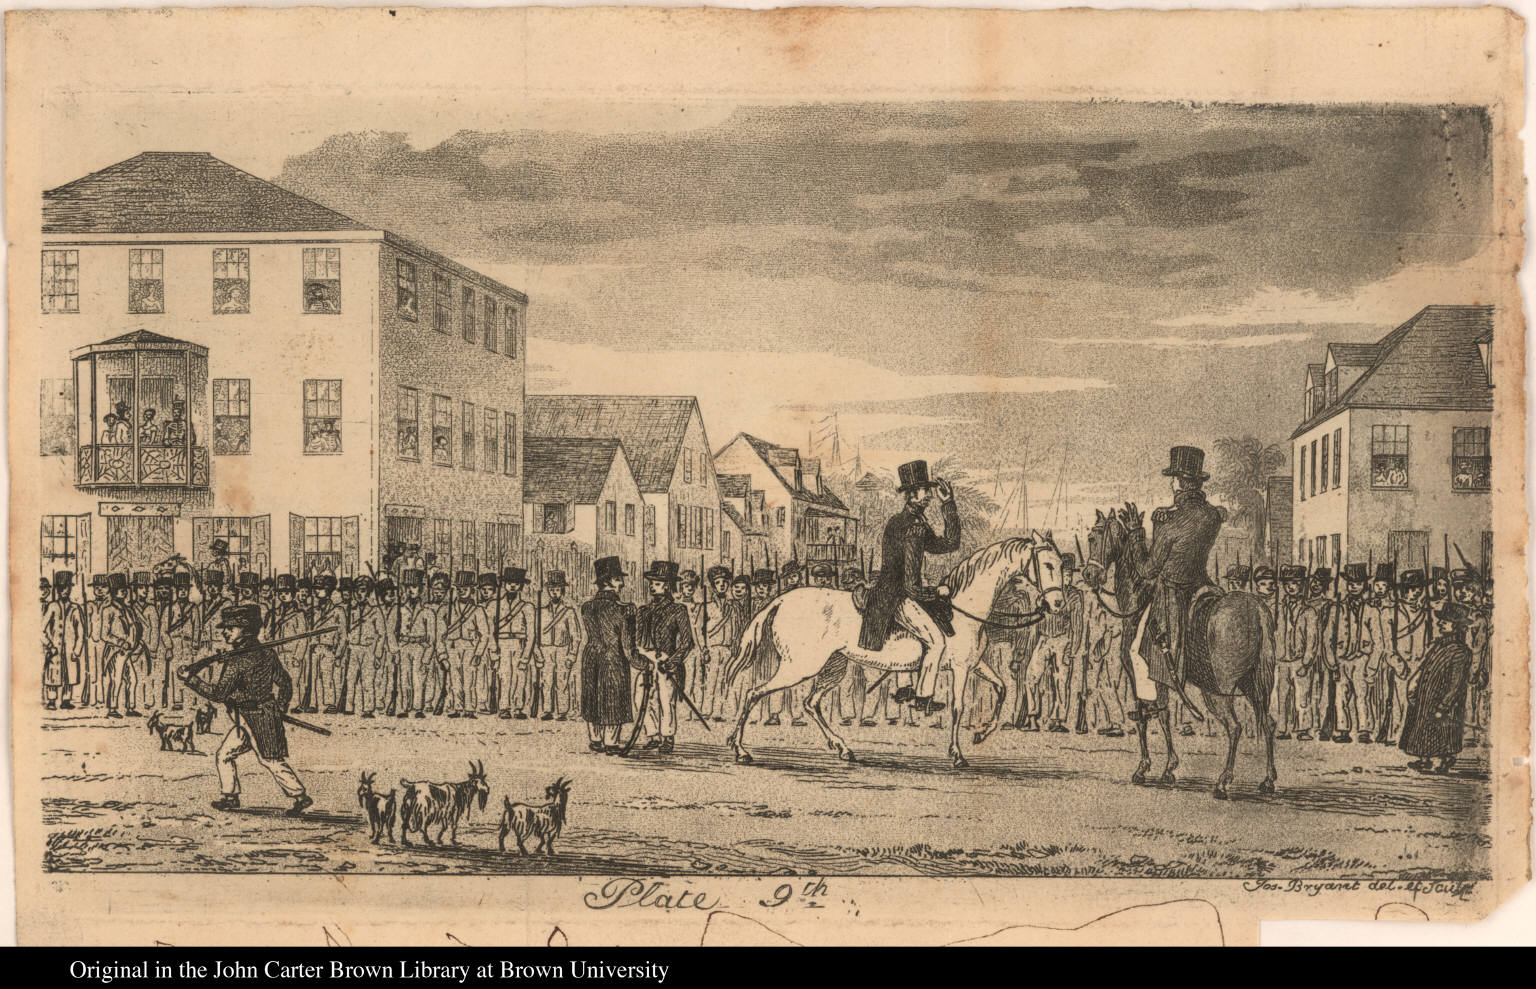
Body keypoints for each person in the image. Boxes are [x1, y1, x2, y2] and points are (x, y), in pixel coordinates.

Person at [181, 604, 312, 815]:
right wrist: (280, 706)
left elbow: (218, 694)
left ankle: (300, 796)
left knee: (270, 760)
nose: (225, 632)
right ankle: (230, 797)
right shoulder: (266, 653)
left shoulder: (237, 660)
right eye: (226, 628)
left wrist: (191, 679)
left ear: (246, 629)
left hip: (256, 718)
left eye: (231, 628)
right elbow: (285, 683)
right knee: (225, 754)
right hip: (251, 716)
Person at [1125, 446, 1223, 725]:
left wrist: (1136, 534)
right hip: (1202, 585)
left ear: (1179, 482)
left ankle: (1151, 703)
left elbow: (1148, 570)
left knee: (1137, 647)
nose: (1171, 484)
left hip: (1173, 590)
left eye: (1173, 479)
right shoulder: (1212, 516)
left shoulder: (1170, 521)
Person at [860, 460, 961, 717]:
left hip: (893, 593)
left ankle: (904, 687)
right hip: (897, 597)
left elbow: (949, 544)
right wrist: (936, 592)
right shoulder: (914, 527)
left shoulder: (909, 521)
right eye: (926, 491)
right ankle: (923, 698)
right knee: (937, 643)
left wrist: (948, 504)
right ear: (912, 493)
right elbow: (911, 587)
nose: (930, 496)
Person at [1399, 603, 1475, 774]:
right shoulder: (1440, 645)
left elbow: (1456, 684)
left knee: (1443, 732)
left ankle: (1445, 760)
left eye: (1445, 621)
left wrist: (1444, 705)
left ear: (1456, 626)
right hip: (1427, 697)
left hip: (1444, 702)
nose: (1440, 623)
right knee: (1424, 728)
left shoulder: (1461, 651)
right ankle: (1424, 760)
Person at [633, 561, 694, 755]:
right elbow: (637, 639)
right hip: (647, 659)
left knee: (666, 700)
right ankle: (652, 735)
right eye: (652, 583)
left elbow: (687, 642)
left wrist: (672, 662)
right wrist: (642, 657)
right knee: (641, 698)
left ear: (667, 586)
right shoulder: (643, 610)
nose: (652, 586)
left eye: (657, 583)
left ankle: (667, 736)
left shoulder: (678, 610)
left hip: (667, 661)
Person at [581, 557, 637, 754]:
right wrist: (639, 662)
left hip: (591, 655)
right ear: (608, 581)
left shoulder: (587, 607)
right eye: (618, 579)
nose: (622, 584)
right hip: (613, 657)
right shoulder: (623, 609)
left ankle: (595, 739)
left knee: (593, 696)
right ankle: (611, 742)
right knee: (613, 697)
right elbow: (627, 644)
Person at [1330, 563, 1374, 743]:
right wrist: (1332, 662)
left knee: (1362, 695)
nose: (1354, 587)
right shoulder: (1336, 608)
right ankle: (1342, 729)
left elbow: (1378, 639)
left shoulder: (1370, 609)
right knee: (1341, 695)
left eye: (1358, 583)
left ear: (1364, 585)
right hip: (1341, 658)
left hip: (1362, 657)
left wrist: (1372, 664)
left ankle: (1364, 730)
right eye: (1351, 583)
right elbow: (1328, 637)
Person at [1273, 565, 1318, 740]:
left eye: (1295, 583)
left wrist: (1306, 662)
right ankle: (1282, 728)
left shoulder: (1308, 611)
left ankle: (1303, 729)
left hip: (1300, 660)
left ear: (1302, 585)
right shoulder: (1279, 608)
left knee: (1302, 695)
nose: (1291, 587)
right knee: (1282, 695)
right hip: (1282, 660)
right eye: (1288, 584)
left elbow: (1312, 639)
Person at [443, 571, 489, 719]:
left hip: (470, 646)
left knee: (469, 679)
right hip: (453, 645)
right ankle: (457, 707)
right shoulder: (448, 608)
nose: (461, 591)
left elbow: (485, 634)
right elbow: (441, 632)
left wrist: (478, 653)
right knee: (455, 678)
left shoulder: (478, 610)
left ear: (472, 590)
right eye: (459, 588)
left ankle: (469, 708)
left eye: (465, 588)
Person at [539, 571, 582, 721]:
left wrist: (572, 655)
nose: (554, 592)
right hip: (546, 649)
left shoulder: (569, 612)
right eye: (552, 589)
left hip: (563, 649)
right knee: (546, 681)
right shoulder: (541, 611)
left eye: (557, 589)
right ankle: (547, 710)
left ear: (562, 591)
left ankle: (562, 711)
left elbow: (576, 636)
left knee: (562, 681)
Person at [493, 568, 534, 719]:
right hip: (502, 644)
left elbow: (531, 634)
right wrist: (494, 650)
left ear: (520, 586)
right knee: (504, 676)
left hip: (519, 644)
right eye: (509, 582)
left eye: (516, 583)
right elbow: (490, 631)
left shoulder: (527, 607)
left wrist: (526, 656)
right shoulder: (495, 605)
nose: (512, 586)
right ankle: (504, 707)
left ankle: (518, 707)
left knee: (520, 676)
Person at [101, 574, 142, 718]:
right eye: (120, 589)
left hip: (127, 651)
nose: (123, 591)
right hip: (115, 650)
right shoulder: (108, 610)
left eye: (124, 588)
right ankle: (112, 709)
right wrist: (120, 642)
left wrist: (135, 643)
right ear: (113, 591)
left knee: (132, 679)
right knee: (116, 680)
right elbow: (104, 634)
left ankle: (130, 708)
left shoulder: (128, 609)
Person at [43, 571, 84, 711]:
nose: (64, 590)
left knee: (69, 674)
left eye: (67, 587)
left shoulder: (75, 608)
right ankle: (51, 700)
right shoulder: (52, 606)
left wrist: (77, 650)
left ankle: (66, 700)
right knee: (53, 675)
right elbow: (41, 629)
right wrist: (50, 645)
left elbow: (81, 632)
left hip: (70, 649)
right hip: (55, 648)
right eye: (61, 588)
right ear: (57, 589)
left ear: (70, 588)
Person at [161, 572, 200, 711]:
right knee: (175, 673)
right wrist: (168, 647)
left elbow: (197, 628)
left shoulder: (193, 608)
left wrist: (195, 645)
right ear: (176, 591)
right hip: (175, 645)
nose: (183, 592)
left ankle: (189, 700)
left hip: (188, 646)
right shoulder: (169, 608)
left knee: (189, 672)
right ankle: (177, 700)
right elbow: (163, 630)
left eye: (185, 589)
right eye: (180, 589)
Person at [701, 566, 735, 721]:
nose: (722, 585)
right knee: (710, 680)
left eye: (724, 582)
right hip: (713, 648)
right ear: (713, 586)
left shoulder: (731, 606)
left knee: (723, 681)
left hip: (727, 648)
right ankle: (706, 709)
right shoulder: (707, 606)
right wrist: (704, 648)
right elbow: (701, 630)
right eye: (718, 582)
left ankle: (718, 711)